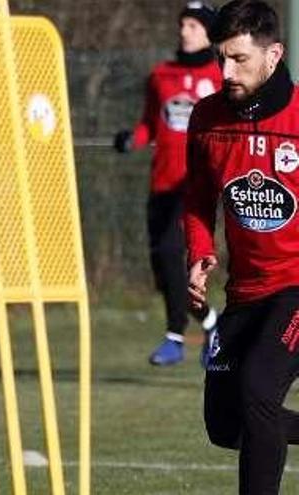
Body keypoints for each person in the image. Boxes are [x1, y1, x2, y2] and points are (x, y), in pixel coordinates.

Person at [185, 1, 299, 492]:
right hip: (243, 294)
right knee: (225, 424)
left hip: (296, 288)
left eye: (240, 60)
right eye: (221, 59)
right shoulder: (208, 118)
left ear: (273, 55)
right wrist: (199, 251)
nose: (226, 71)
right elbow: (197, 197)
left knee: (258, 389)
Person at [114, 1, 221, 366]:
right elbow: (150, 125)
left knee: (173, 256)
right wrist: (132, 139)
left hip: (192, 187)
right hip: (160, 185)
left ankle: (175, 336)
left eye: (193, 25)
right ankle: (210, 322)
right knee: (163, 268)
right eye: (183, 24)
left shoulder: (221, 76)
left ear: (209, 33)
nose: (184, 31)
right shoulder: (160, 75)